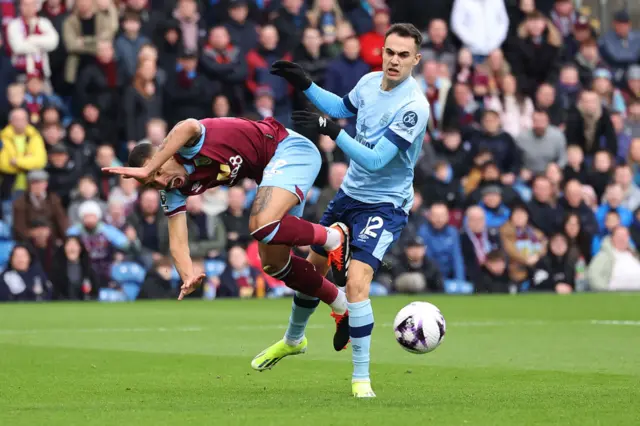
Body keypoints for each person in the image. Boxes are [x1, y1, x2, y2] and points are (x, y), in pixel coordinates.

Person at [260, 23, 429, 397]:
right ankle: (294, 339)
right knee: (312, 268)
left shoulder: (414, 107)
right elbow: (340, 107)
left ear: (416, 60)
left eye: (404, 55)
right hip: (349, 195)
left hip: (384, 204)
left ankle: (361, 379)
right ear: (381, 51)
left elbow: (375, 160)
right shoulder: (369, 82)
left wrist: (333, 132)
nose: (395, 60)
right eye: (390, 52)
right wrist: (304, 83)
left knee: (355, 282)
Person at [102, 115, 351, 349]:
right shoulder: (173, 190)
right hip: (271, 175)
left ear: (162, 153)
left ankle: (335, 238)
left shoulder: (185, 144)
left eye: (157, 172)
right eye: (151, 183)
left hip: (290, 149)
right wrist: (187, 275)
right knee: (274, 264)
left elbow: (189, 125)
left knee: (260, 225)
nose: (159, 181)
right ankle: (341, 305)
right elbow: (178, 241)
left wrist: (149, 169)